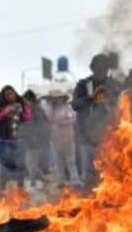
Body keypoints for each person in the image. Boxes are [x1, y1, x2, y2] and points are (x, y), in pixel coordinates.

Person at [72, 54, 120, 189]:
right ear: (92, 68)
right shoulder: (83, 85)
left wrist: (110, 102)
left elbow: (121, 104)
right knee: (90, 175)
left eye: (104, 68)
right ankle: (89, 198)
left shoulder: (114, 85)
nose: (101, 71)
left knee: (110, 173)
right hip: (87, 136)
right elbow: (75, 105)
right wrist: (91, 98)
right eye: (98, 68)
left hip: (109, 137)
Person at [0, 85, 31, 190]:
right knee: (5, 165)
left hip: (20, 139)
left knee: (21, 164)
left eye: (12, 93)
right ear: (4, 97)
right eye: (7, 95)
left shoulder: (22, 104)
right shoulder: (0, 106)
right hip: (5, 140)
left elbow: (28, 118)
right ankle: (2, 188)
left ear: (15, 93)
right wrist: (6, 112)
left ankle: (20, 188)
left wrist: (22, 113)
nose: (10, 96)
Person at [45, 89, 79, 188]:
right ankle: (61, 181)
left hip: (68, 137)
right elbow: (48, 118)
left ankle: (75, 181)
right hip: (55, 138)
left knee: (70, 161)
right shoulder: (51, 109)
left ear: (63, 98)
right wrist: (50, 106)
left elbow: (74, 119)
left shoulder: (68, 107)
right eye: (55, 98)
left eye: (59, 98)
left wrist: (63, 122)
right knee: (58, 161)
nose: (57, 100)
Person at [21, 90, 51, 188]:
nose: (24, 103)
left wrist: (36, 136)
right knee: (30, 162)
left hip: (35, 139)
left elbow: (41, 125)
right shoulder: (31, 109)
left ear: (30, 100)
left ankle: (33, 182)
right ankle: (41, 178)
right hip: (31, 139)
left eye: (25, 100)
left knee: (31, 162)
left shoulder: (37, 109)